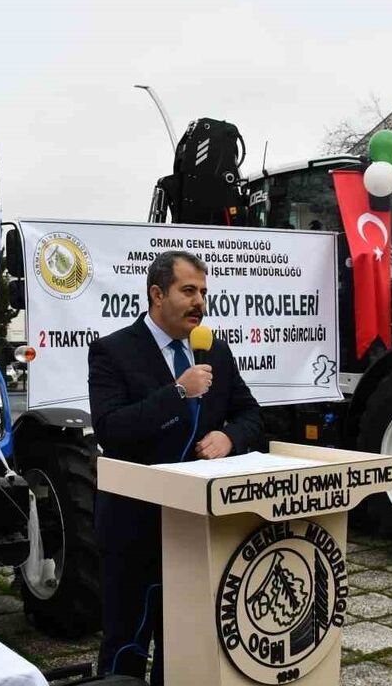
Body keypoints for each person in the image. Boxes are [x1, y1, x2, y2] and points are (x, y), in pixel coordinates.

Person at [88, 250, 264, 684]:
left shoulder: (214, 352)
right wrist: (177, 393)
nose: (199, 302)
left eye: (203, 292)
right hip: (135, 528)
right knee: (126, 644)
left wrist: (230, 437)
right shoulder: (112, 351)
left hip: (198, 530)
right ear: (156, 294)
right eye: (188, 291)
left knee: (186, 645)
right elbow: (112, 430)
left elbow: (253, 417)